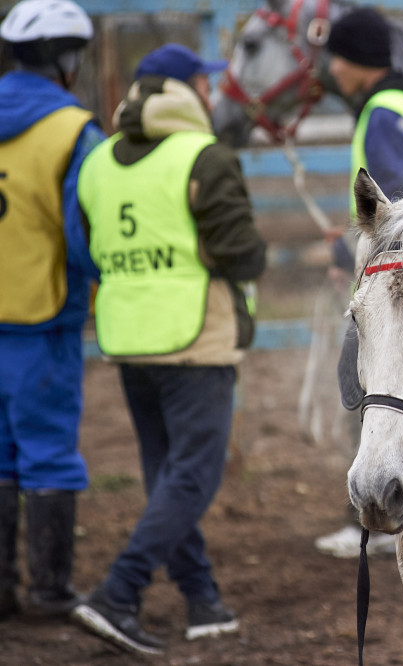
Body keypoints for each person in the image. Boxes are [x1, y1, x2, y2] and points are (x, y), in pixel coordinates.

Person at [69, 43, 267, 656]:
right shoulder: (203, 157)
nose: (212, 95)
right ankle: (118, 591)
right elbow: (244, 254)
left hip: (128, 336)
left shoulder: (99, 160)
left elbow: (85, 244)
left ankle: (201, 598)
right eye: (204, 86)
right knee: (195, 474)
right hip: (195, 337)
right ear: (186, 93)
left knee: (166, 471)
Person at [312, 5, 403, 558]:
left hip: (400, 283)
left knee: (372, 387)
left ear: (357, 61)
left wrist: (362, 261)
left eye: (337, 58)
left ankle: (372, 513)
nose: (332, 70)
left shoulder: (382, 111)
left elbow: (393, 206)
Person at [0, 0, 104, 622]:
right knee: (48, 454)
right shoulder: (74, 133)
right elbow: (80, 237)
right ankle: (49, 591)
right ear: (67, 60)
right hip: (43, 317)